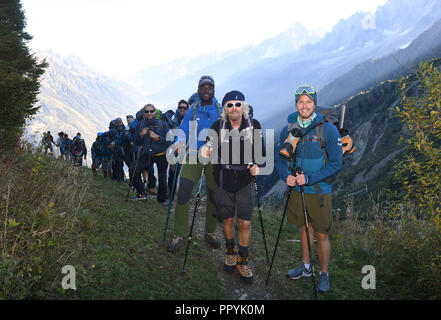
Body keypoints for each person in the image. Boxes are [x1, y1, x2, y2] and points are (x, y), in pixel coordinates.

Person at [275, 85, 343, 293]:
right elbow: (280, 159)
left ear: (315, 104)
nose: (304, 106)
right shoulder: (289, 129)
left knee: (321, 234)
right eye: (301, 102)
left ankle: (324, 273)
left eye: (309, 102)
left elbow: (336, 163)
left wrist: (310, 178)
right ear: (296, 104)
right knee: (305, 228)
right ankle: (306, 267)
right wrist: (285, 175)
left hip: (319, 191)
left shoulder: (328, 130)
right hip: (297, 190)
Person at [201, 90, 264, 283]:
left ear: (243, 107)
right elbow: (208, 147)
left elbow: (260, 153)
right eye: (230, 105)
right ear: (225, 109)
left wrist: (257, 166)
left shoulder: (254, 125)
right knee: (227, 221)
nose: (234, 108)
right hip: (223, 179)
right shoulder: (217, 126)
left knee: (244, 223)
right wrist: (205, 150)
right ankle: (230, 252)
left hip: (245, 180)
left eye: (238, 104)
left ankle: (243, 262)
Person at [168, 75, 222, 253]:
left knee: (214, 195)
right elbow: (183, 130)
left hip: (214, 158)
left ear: (213, 90)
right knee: (183, 191)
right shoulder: (193, 111)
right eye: (203, 87)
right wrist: (178, 142)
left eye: (209, 87)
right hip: (193, 155)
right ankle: (179, 233)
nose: (206, 90)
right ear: (199, 90)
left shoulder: (221, 111)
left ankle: (210, 232)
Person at [130, 104, 169, 204]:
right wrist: (141, 135)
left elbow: (170, 141)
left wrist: (158, 138)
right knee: (133, 169)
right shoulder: (140, 125)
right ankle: (141, 193)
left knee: (162, 178)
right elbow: (136, 142)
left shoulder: (163, 124)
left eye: (151, 111)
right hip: (147, 154)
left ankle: (161, 200)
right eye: (146, 111)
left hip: (161, 154)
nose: (149, 113)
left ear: (155, 112)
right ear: (143, 113)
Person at [166, 100, 189, 199]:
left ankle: (184, 195)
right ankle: (171, 193)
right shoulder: (173, 121)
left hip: (187, 150)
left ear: (187, 109)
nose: (182, 109)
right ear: (178, 108)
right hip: (174, 149)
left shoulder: (190, 120)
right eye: (180, 107)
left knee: (184, 174)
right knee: (172, 172)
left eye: (184, 108)